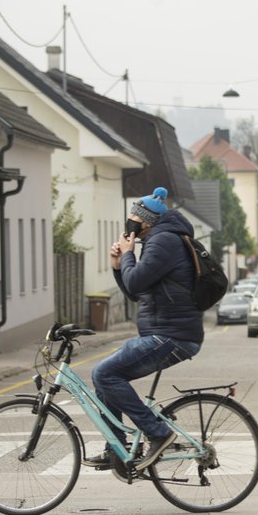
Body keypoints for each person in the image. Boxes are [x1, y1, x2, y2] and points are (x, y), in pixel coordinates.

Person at [86, 187, 203, 472]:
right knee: (105, 376)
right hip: (164, 333)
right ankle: (116, 448)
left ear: (145, 221)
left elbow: (136, 282)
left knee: (104, 373)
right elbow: (136, 293)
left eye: (133, 220)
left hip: (172, 335)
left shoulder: (164, 241)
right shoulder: (158, 240)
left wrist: (127, 255)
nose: (130, 226)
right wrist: (118, 265)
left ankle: (158, 433)